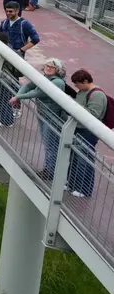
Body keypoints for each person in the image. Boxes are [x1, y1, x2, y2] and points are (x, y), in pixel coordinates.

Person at [10, 59, 68, 174]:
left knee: (51, 144)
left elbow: (39, 92)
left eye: (52, 67)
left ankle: (51, 171)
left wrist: (18, 98)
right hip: (43, 115)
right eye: (47, 65)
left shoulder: (58, 82)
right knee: (47, 143)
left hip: (52, 117)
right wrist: (18, 95)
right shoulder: (44, 77)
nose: (49, 68)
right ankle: (49, 168)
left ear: (58, 70)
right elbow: (28, 86)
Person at [69, 69, 110, 199]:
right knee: (75, 157)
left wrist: (74, 107)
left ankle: (84, 189)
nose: (76, 87)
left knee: (84, 159)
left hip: (88, 131)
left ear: (85, 81)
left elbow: (93, 114)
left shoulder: (97, 95)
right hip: (79, 128)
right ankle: (73, 184)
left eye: (77, 84)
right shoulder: (83, 91)